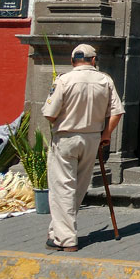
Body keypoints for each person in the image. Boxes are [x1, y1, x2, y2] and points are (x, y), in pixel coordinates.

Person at [41, 44, 124, 252]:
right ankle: (57, 231)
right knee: (78, 187)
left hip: (66, 137)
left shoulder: (64, 80)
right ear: (93, 60)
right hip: (92, 138)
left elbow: (49, 113)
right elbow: (117, 112)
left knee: (62, 187)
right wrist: (106, 134)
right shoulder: (105, 80)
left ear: (72, 61)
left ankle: (66, 238)